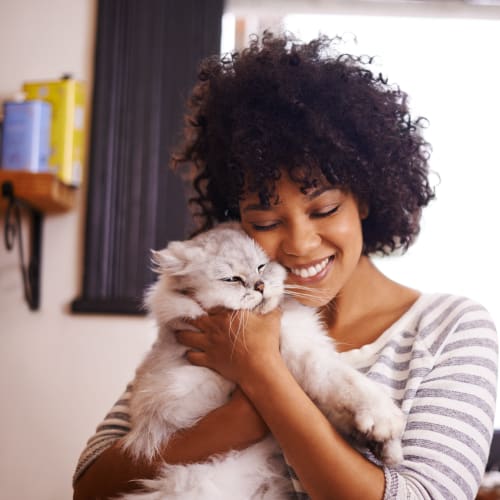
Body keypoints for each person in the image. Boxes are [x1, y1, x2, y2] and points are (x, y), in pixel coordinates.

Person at [73, 32, 498, 500]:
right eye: (267, 220)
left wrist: (262, 374)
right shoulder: (218, 320)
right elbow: (92, 484)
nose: (299, 244)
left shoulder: (452, 330)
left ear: (367, 199)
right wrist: (240, 418)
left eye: (324, 210)